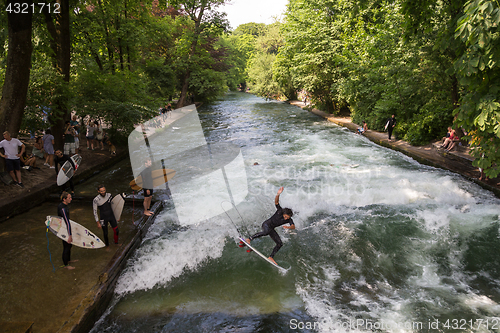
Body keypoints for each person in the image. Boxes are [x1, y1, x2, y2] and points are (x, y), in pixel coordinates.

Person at [246, 187, 295, 265]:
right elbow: (276, 202)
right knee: (266, 231)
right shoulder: (280, 211)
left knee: (280, 243)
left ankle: (271, 257)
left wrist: (288, 227)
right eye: (285, 216)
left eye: (287, 218)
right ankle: (249, 239)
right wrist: (278, 194)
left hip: (271, 228)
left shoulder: (289, 220)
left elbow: (293, 226)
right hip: (266, 224)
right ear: (284, 213)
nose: (286, 218)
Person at [58, 191, 77, 270]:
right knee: (66, 246)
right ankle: (66, 265)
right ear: (64, 199)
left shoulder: (65, 206)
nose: (71, 199)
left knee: (69, 245)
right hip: (64, 229)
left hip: (66, 227)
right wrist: (69, 235)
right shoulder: (63, 208)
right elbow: (67, 221)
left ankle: (69, 260)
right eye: (69, 198)